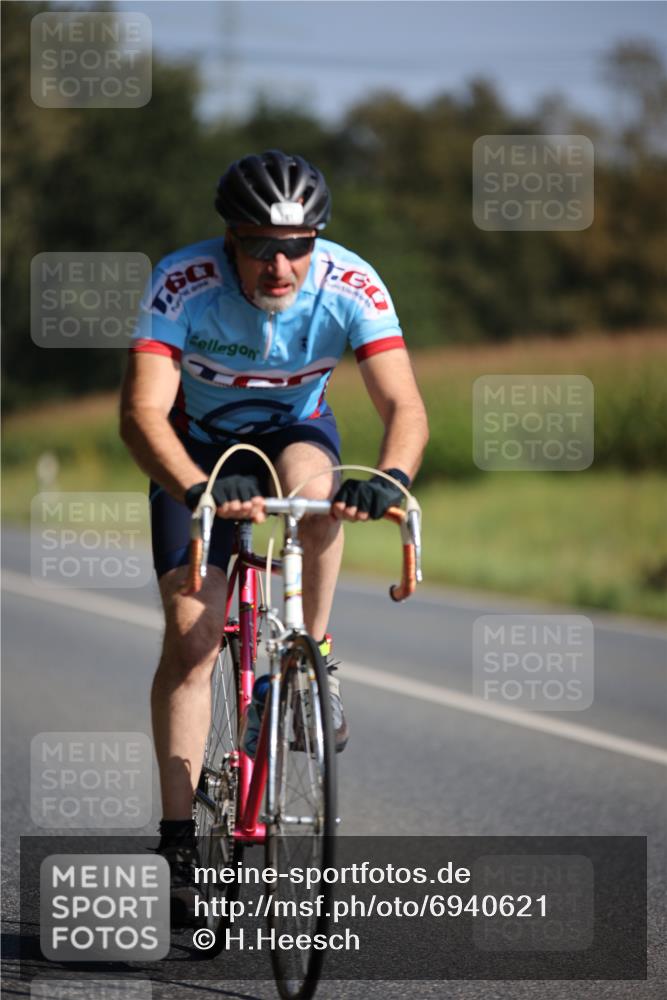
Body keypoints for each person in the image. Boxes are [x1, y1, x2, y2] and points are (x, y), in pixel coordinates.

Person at [120, 150, 429, 902]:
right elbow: (140, 415)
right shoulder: (182, 281)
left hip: (295, 431)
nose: (280, 264)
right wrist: (196, 484)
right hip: (195, 451)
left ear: (317, 242)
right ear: (230, 240)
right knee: (193, 642)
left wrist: (388, 479)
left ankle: (312, 658)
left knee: (317, 493)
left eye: (297, 245)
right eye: (260, 244)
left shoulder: (351, 283)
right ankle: (179, 845)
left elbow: (404, 409)